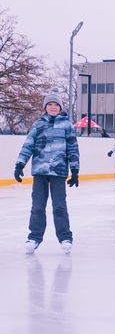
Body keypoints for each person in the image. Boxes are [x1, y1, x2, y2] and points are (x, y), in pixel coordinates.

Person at [14, 92, 80, 254]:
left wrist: (75, 169)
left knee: (59, 206)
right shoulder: (38, 125)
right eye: (50, 104)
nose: (53, 107)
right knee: (37, 206)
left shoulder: (67, 125)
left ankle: (65, 237)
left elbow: (72, 148)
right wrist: (20, 164)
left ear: (60, 108)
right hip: (40, 171)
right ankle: (34, 237)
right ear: (45, 107)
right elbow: (28, 145)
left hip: (59, 171)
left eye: (56, 105)